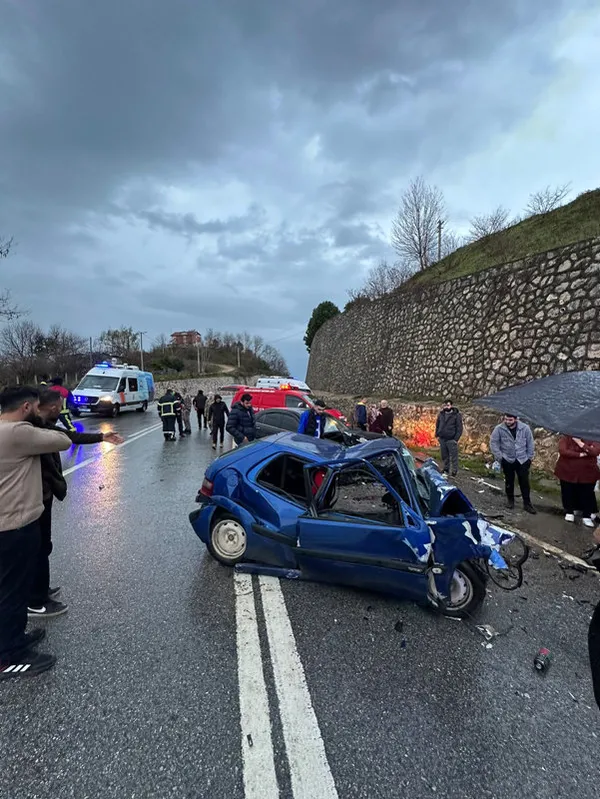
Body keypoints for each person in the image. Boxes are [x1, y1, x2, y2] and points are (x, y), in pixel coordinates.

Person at [26, 390, 123, 619]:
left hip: (44, 495)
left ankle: (41, 590)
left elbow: (68, 435)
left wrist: (101, 437)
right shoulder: (36, 428)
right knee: (38, 549)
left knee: (44, 546)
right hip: (36, 496)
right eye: (60, 406)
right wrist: (101, 438)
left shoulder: (43, 424)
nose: (62, 410)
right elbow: (68, 437)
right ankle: (35, 601)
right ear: (51, 407)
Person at [0, 386, 72, 679]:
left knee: (11, 589)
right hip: (15, 525)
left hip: (8, 523)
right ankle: (9, 657)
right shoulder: (18, 433)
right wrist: (39, 419)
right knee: (11, 593)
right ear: (28, 407)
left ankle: (15, 639)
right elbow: (63, 440)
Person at [490, 413, 536, 514]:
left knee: (524, 482)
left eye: (510, 420)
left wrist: (529, 458)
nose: (507, 422)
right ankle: (510, 501)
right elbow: (494, 442)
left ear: (516, 419)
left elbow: (530, 443)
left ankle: (527, 503)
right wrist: (500, 456)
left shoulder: (525, 428)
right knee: (509, 481)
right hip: (507, 459)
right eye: (506, 419)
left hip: (522, 459)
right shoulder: (499, 429)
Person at [554, 436, 600, 527]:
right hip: (567, 470)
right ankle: (569, 511)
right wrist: (581, 454)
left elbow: (595, 452)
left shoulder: (595, 438)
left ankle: (586, 516)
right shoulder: (567, 437)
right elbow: (563, 451)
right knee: (567, 491)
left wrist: (580, 443)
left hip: (588, 472)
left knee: (587, 494)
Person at [435, 399, 464, 477]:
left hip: (451, 439)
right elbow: (437, 425)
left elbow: (459, 428)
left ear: (451, 405)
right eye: (445, 405)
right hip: (442, 438)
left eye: (448, 405)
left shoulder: (456, 415)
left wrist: (455, 439)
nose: (446, 407)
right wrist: (437, 435)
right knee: (444, 455)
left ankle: (454, 471)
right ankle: (446, 469)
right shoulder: (441, 414)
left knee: (453, 456)